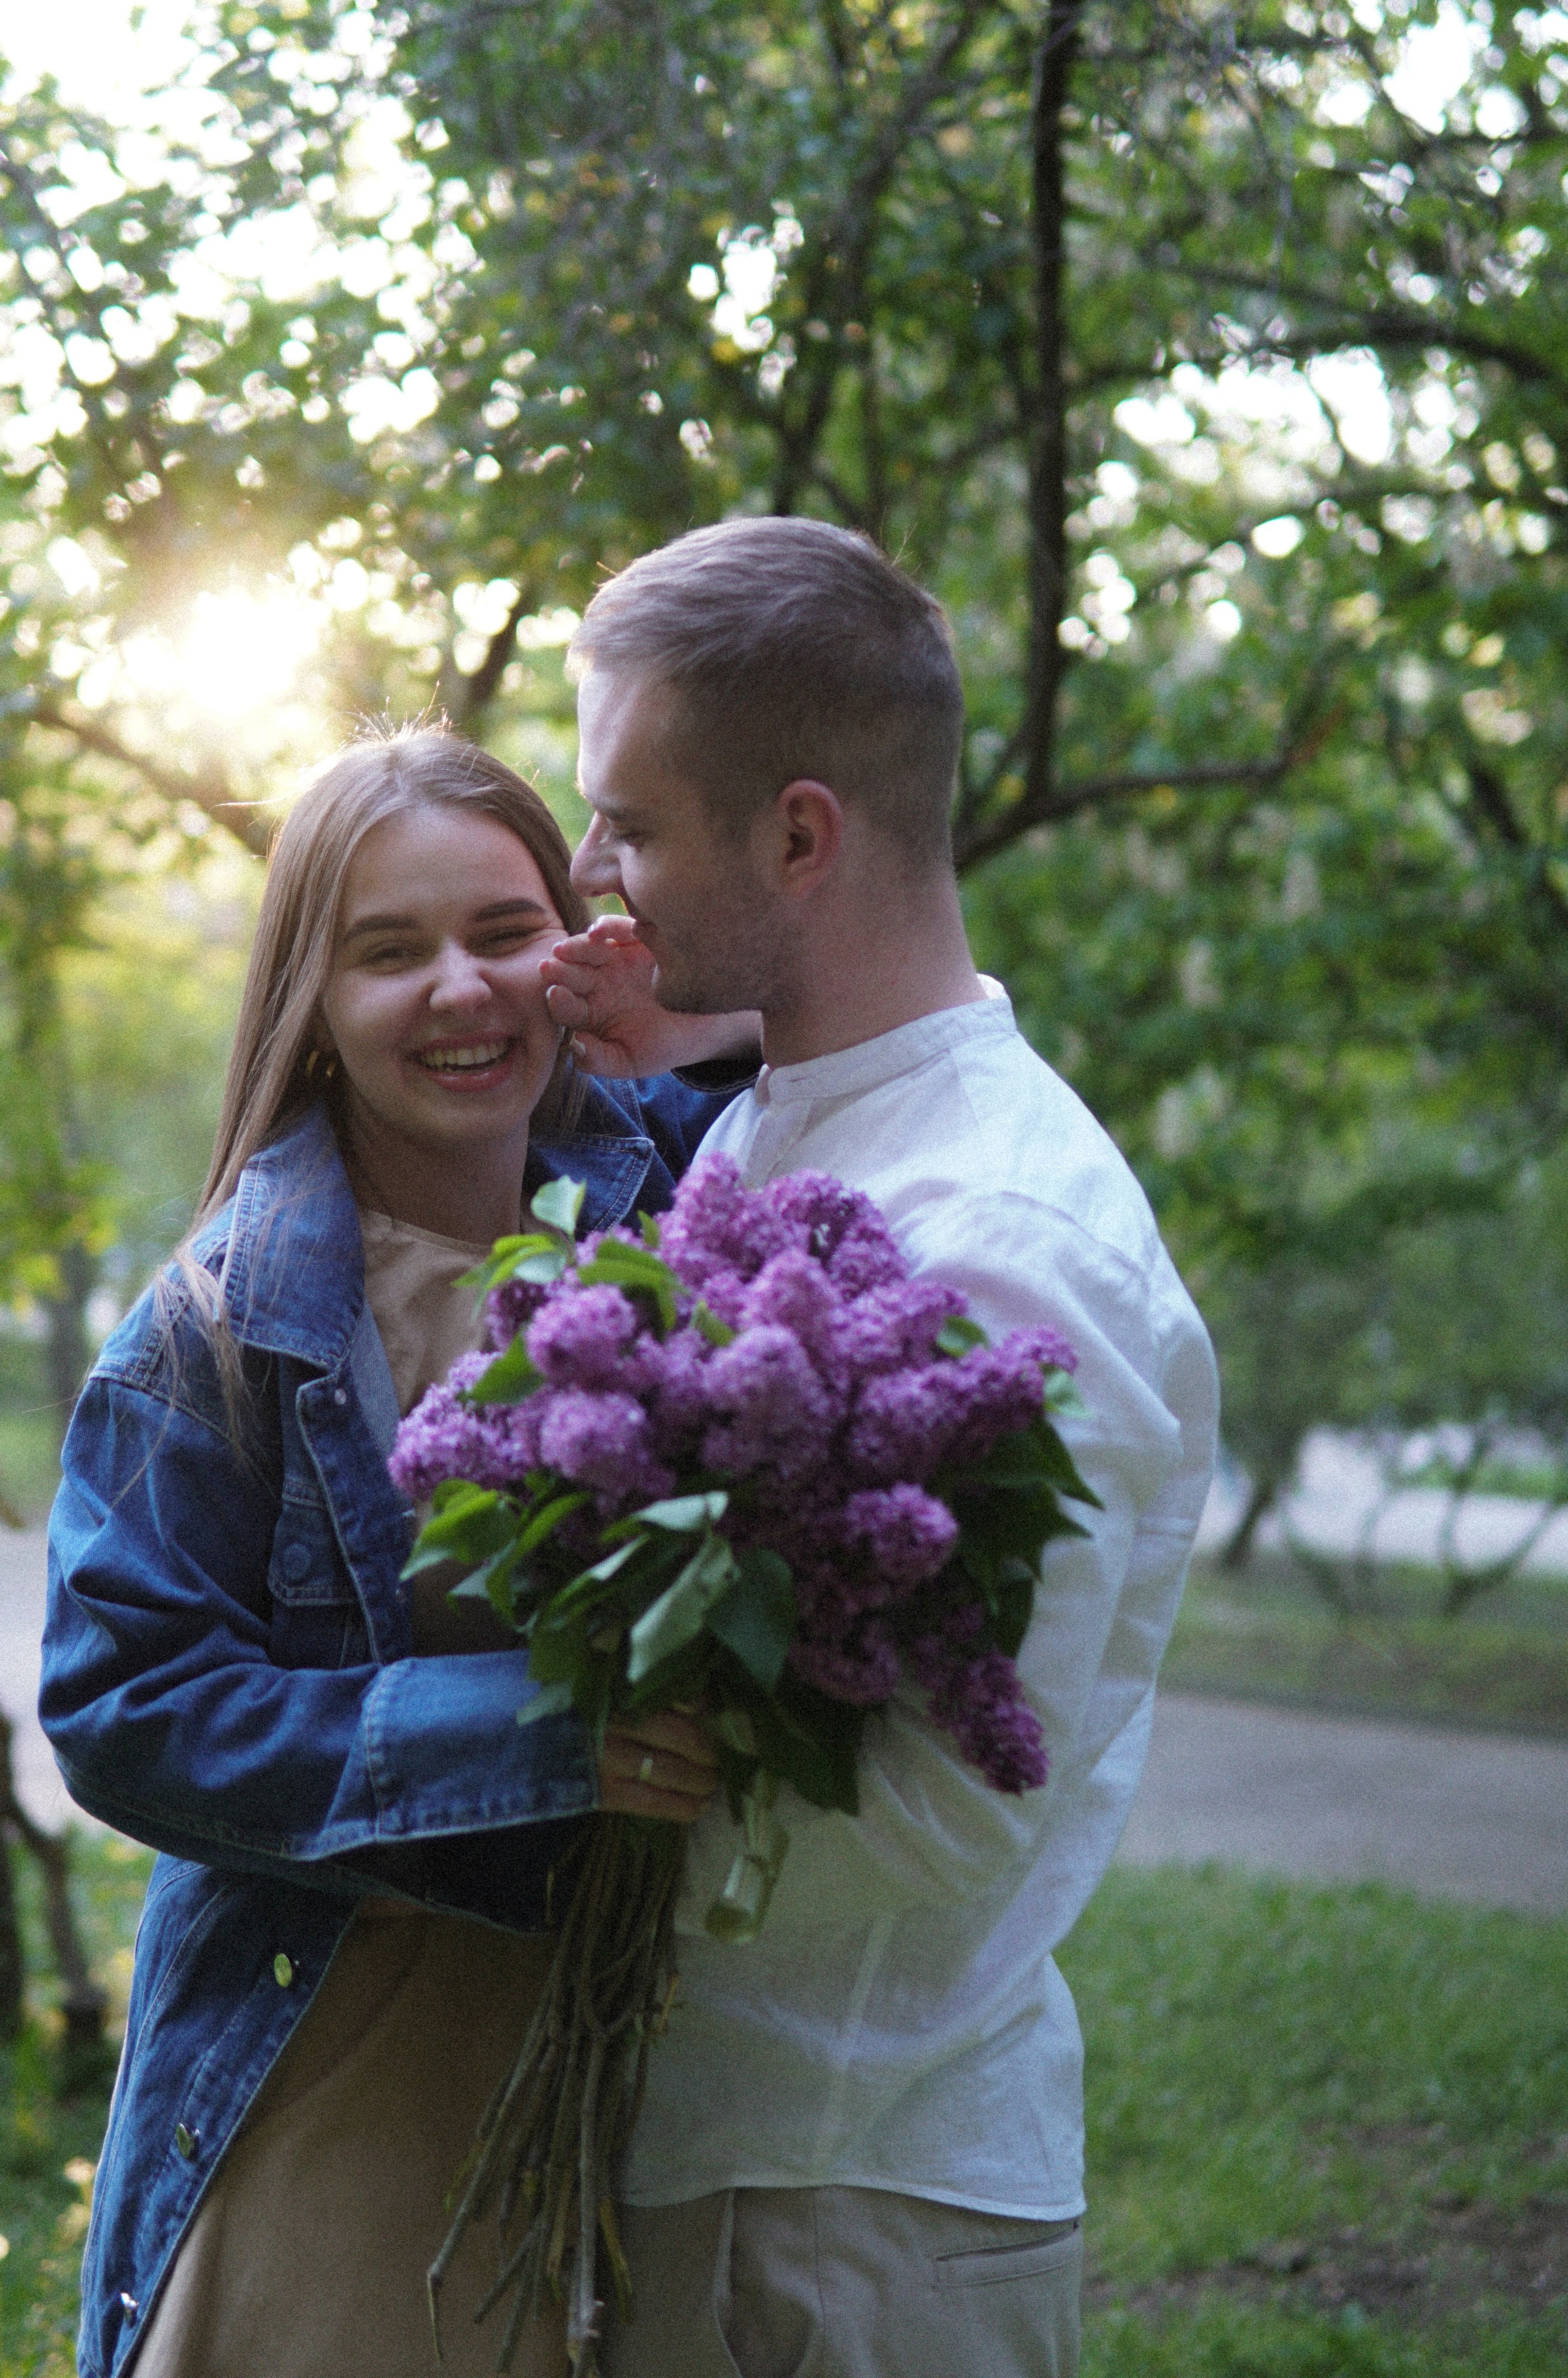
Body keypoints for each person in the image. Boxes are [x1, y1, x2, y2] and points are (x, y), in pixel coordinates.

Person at [543, 516, 1219, 2378]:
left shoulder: (1006, 1243)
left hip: (848, 2209)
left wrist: (531, 1761)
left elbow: (940, 1802)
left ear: (801, 836)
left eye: (629, 822)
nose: (589, 874)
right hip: (735, 2164)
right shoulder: (782, 1122)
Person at [39, 727, 748, 2378]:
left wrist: (679, 1000)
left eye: (505, 932)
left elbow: (834, 1028)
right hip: (344, 2076)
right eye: (387, 950)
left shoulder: (681, 1212)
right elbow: (125, 1706)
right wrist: (540, 1732)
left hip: (653, 2096)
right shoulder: (222, 1330)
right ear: (310, 994)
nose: (461, 990)